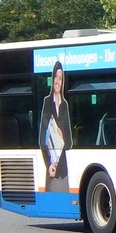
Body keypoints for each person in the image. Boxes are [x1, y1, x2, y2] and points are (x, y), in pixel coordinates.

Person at [38, 61, 72, 193]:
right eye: (56, 77)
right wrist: (48, 164)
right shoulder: (47, 102)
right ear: (52, 79)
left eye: (61, 78)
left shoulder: (65, 105)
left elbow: (69, 143)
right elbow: (42, 138)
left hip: (63, 167)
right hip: (52, 166)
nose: (58, 81)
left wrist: (63, 136)